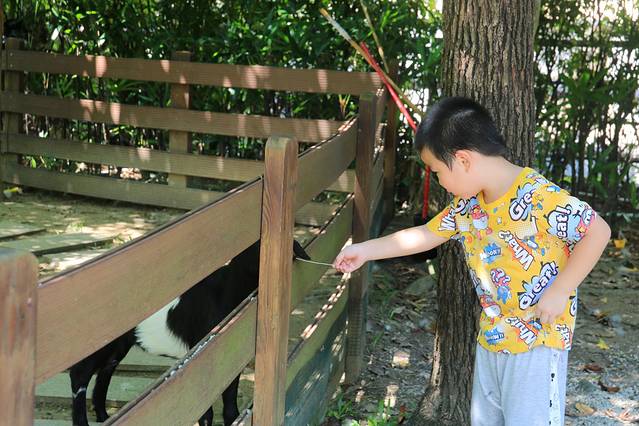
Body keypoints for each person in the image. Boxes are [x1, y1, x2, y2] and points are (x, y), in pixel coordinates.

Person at [332, 96, 611, 425]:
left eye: (437, 171)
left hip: (538, 343)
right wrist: (365, 250)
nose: (439, 181)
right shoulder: (469, 205)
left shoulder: (540, 198)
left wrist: (561, 289)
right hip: (492, 338)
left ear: (463, 159)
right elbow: (426, 234)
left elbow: (598, 231)